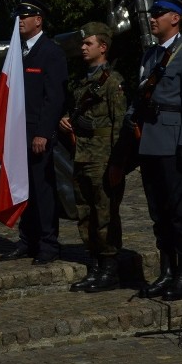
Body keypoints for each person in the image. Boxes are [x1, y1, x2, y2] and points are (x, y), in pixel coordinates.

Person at [126, 0, 182, 301]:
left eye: (159, 13)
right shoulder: (149, 56)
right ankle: (166, 272)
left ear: (175, 18)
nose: (152, 17)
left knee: (179, 214)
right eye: (152, 12)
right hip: (149, 142)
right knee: (158, 213)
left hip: (175, 144)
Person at [58, 22, 127, 292]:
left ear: (103, 47)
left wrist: (117, 162)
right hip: (82, 155)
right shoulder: (82, 82)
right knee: (85, 212)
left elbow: (120, 124)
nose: (83, 47)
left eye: (89, 43)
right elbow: (77, 113)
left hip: (103, 157)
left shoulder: (113, 83)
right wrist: (66, 120)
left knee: (104, 212)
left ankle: (110, 268)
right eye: (82, 43)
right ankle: (95, 264)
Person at [0, 0, 68, 265]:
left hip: (36, 133)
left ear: (38, 20)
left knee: (42, 189)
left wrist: (43, 132)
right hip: (16, 132)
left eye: (24, 16)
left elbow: (54, 97)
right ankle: (27, 240)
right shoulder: (16, 51)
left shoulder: (51, 52)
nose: (19, 21)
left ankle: (48, 244)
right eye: (17, 16)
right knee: (21, 188)